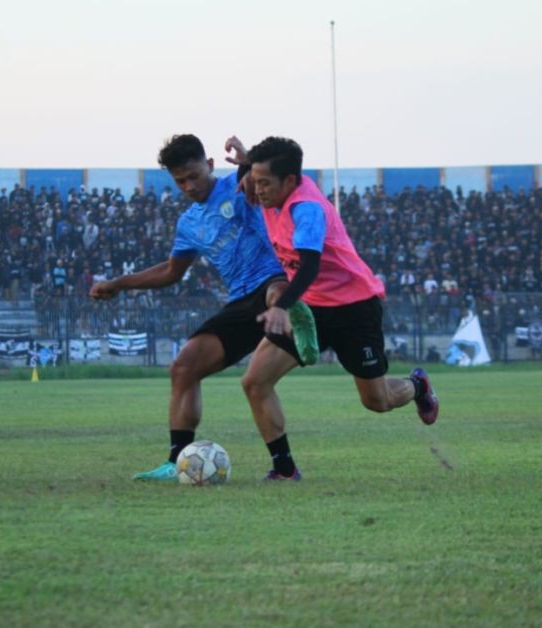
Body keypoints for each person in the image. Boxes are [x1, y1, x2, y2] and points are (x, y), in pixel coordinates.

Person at [89, 134, 317, 481]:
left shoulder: (240, 185)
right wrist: (120, 283)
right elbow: (171, 271)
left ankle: (293, 314)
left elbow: (268, 177)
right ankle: (175, 462)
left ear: (210, 165)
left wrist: (246, 163)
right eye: (180, 181)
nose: (189, 186)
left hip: (273, 278)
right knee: (183, 367)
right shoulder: (189, 224)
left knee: (275, 295)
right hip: (240, 301)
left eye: (194, 176)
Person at [226, 135, 438, 481]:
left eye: (265, 183)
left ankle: (418, 385)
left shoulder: (306, 208)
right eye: (255, 180)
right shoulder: (271, 185)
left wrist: (282, 306)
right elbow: (255, 178)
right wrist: (248, 162)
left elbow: (309, 266)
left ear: (290, 181)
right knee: (255, 381)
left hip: (354, 307)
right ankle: (284, 469)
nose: (257, 191)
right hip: (310, 307)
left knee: (377, 401)